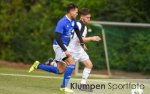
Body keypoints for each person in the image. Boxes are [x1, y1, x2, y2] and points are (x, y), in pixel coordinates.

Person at [28, 3, 85, 93]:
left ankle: (38, 65)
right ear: (70, 11)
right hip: (59, 46)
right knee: (72, 63)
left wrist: (82, 42)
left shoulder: (73, 21)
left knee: (60, 71)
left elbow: (77, 30)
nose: (77, 14)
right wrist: (65, 50)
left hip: (64, 46)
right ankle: (63, 87)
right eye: (76, 12)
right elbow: (58, 38)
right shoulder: (62, 22)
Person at [46, 8, 101, 92]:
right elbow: (79, 39)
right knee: (61, 70)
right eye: (87, 17)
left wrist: (83, 45)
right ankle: (52, 63)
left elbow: (78, 39)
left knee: (89, 65)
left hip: (79, 50)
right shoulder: (80, 25)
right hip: (72, 51)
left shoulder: (80, 25)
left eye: (89, 17)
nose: (89, 19)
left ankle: (82, 85)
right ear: (82, 17)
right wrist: (92, 38)